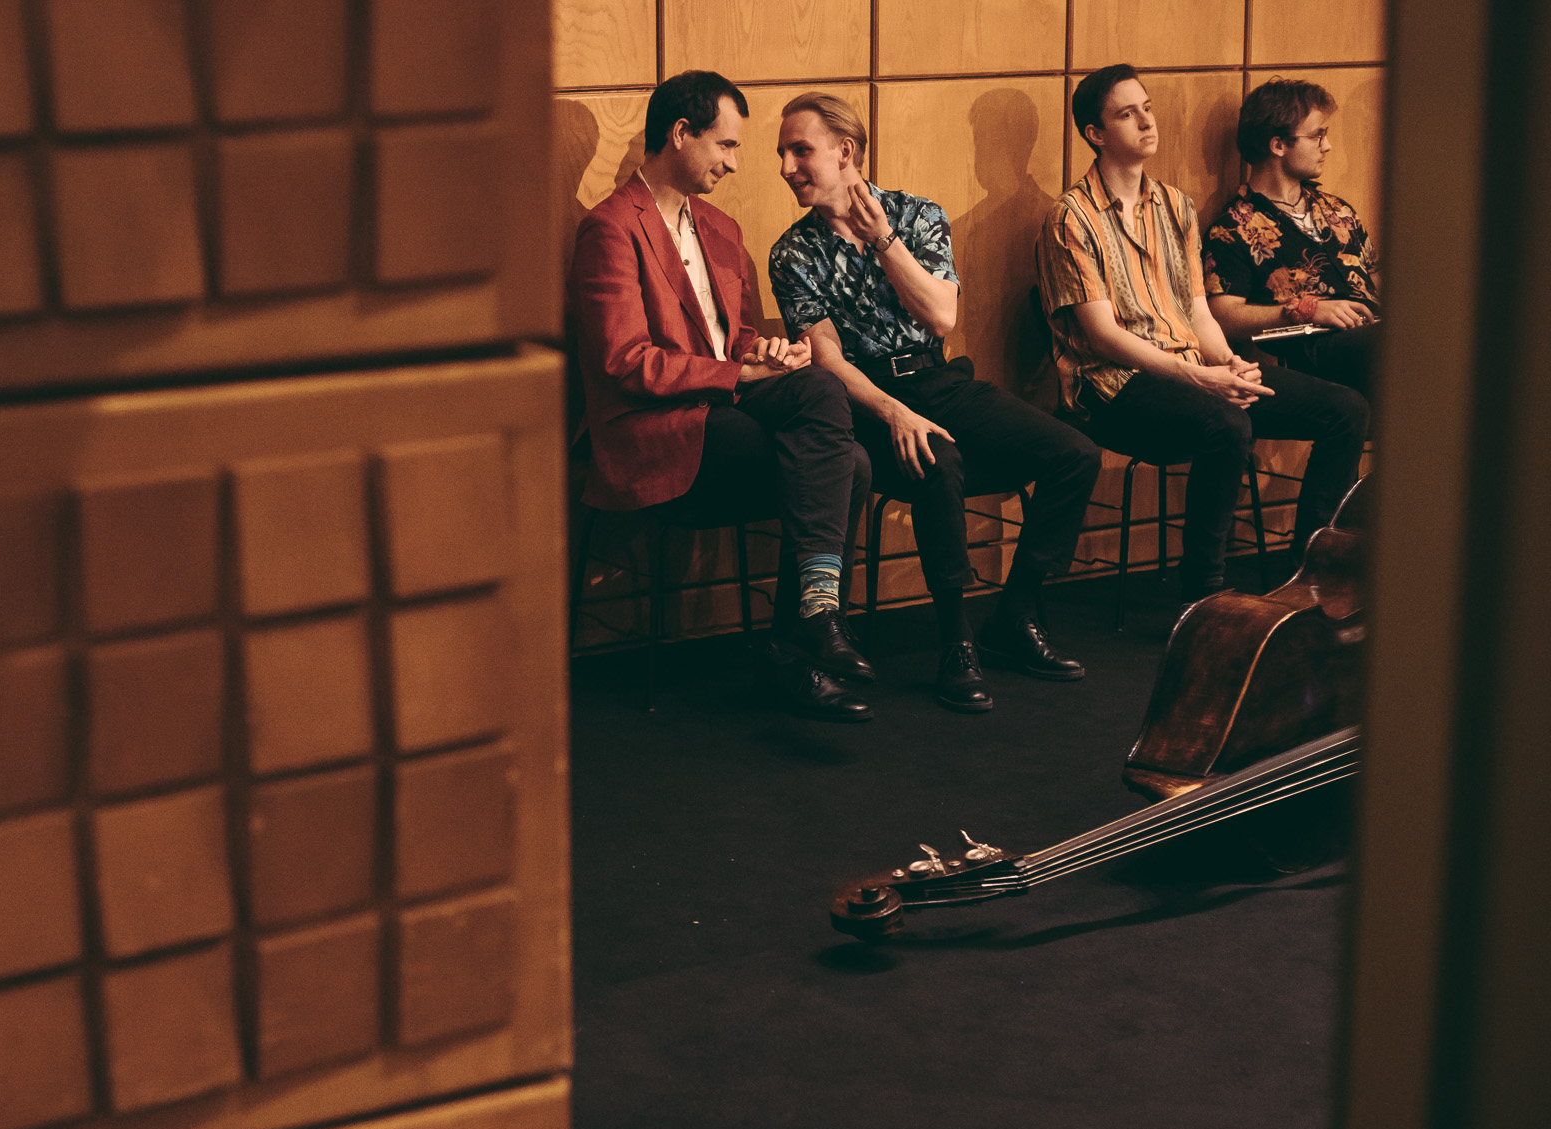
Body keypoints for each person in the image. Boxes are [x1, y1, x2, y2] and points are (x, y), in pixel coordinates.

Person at [767, 91, 1101, 713]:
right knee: (937, 462)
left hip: (938, 380)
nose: (787, 166)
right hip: (864, 400)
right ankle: (957, 642)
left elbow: (941, 317)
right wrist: (894, 412)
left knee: (1075, 454)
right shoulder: (793, 253)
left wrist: (884, 240)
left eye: (800, 150)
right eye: (782, 153)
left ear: (845, 152)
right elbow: (828, 360)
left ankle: (1016, 614)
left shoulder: (916, 216)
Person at [568, 70, 874, 721]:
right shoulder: (611, 228)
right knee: (842, 464)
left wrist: (768, 355)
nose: (735, 163)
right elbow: (625, 362)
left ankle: (806, 628)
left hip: (719, 406)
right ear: (681, 133)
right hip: (651, 425)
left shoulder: (720, 227)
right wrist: (737, 376)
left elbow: (734, 340)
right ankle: (802, 640)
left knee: (829, 407)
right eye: (726, 145)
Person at [1034, 65, 1371, 604]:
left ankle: (1312, 574)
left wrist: (1225, 362)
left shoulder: (1175, 205)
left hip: (1191, 368)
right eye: (1127, 114)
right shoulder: (1070, 218)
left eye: (1147, 107)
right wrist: (1201, 377)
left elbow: (1198, 313)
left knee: (1345, 409)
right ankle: (1204, 593)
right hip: (1113, 385)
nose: (1147, 121)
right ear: (1095, 134)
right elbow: (1101, 338)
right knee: (1227, 422)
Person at [1204, 77, 1381, 399]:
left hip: (1370, 336)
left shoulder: (1337, 209)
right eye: (1317, 136)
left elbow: (1374, 276)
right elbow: (1222, 315)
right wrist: (1306, 310)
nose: (1327, 146)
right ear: (1278, 145)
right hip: (1311, 348)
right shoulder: (1233, 227)